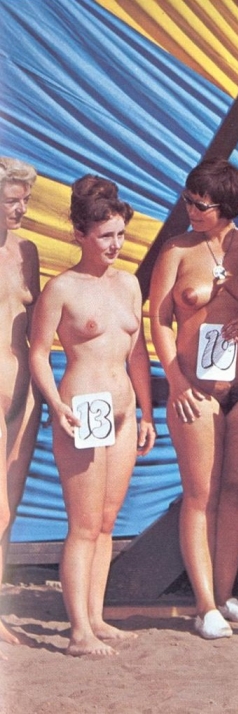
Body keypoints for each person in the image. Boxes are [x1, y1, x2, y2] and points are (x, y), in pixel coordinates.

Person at [29, 175, 156, 656]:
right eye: (105, 236)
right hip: (82, 409)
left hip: (122, 410)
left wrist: (146, 413)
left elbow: (137, 353)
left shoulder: (129, 284)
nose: (115, 245)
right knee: (82, 524)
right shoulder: (62, 288)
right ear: (80, 235)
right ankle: (78, 629)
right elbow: (38, 352)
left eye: (120, 234)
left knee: (106, 520)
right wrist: (55, 404)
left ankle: (97, 617)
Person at [148, 159, 238, 639]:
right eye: (189, 201)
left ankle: (223, 593)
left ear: (228, 207)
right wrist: (176, 381)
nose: (192, 210)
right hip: (195, 388)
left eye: (202, 205)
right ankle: (203, 605)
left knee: (237, 492)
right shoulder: (177, 250)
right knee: (200, 494)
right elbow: (159, 320)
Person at [0, 157, 42, 650]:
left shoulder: (27, 250)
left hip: (24, 391)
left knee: (9, 507)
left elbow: (36, 327)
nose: (22, 209)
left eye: (25, 199)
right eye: (12, 200)